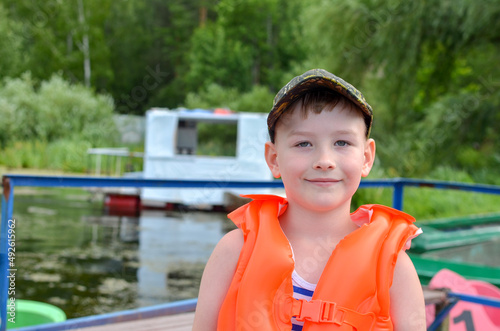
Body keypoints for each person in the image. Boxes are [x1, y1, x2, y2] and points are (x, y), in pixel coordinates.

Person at [192, 69, 426, 330]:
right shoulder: (234, 252)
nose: (324, 161)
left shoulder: (394, 268)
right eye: (303, 144)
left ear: (366, 157)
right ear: (274, 159)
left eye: (342, 142)